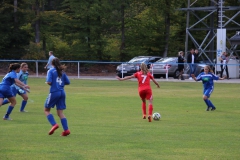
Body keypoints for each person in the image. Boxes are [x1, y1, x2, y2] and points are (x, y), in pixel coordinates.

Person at [44, 57, 70, 136]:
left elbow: (49, 82)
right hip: (62, 92)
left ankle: (54, 124)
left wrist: (53, 84)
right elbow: (68, 82)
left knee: (46, 110)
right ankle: (66, 130)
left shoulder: (51, 71)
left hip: (54, 92)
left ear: (52, 63)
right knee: (60, 112)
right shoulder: (62, 71)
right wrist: (60, 84)